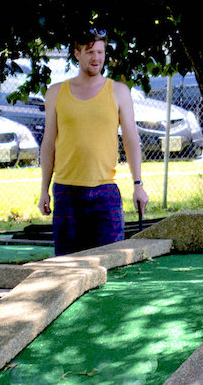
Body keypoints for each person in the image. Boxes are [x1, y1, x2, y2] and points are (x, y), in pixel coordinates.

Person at [38, 28, 149, 255]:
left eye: (100, 52)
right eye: (90, 52)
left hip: (105, 192)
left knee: (111, 264)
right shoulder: (56, 93)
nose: (96, 58)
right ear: (77, 54)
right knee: (67, 266)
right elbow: (49, 142)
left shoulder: (119, 91)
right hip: (66, 192)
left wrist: (138, 184)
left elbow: (130, 139)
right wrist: (44, 190)